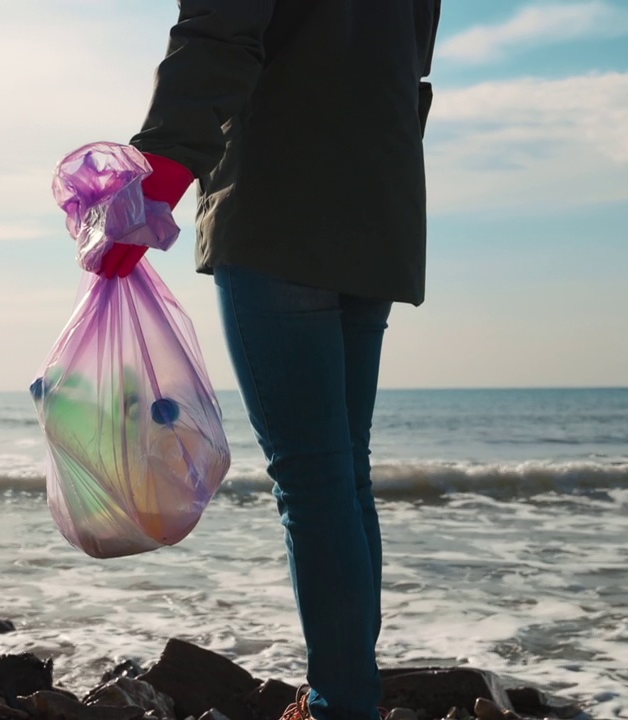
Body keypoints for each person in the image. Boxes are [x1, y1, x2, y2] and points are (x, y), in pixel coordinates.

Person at [97, 2, 441, 719]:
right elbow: (411, 62)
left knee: (313, 478)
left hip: (278, 200)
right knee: (342, 472)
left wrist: (155, 182)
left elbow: (220, 34)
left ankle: (339, 704)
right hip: (378, 201)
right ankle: (348, 693)